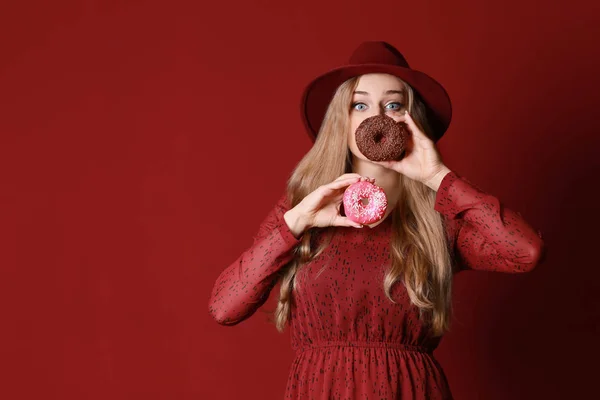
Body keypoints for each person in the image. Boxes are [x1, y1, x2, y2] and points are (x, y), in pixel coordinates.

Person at [208, 41, 546, 399]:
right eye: (360, 103)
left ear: (411, 120)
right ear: (343, 118)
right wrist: (294, 224)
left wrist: (438, 177)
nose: (377, 116)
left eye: (394, 104)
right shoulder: (302, 208)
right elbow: (224, 307)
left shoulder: (439, 216)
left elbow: (525, 252)